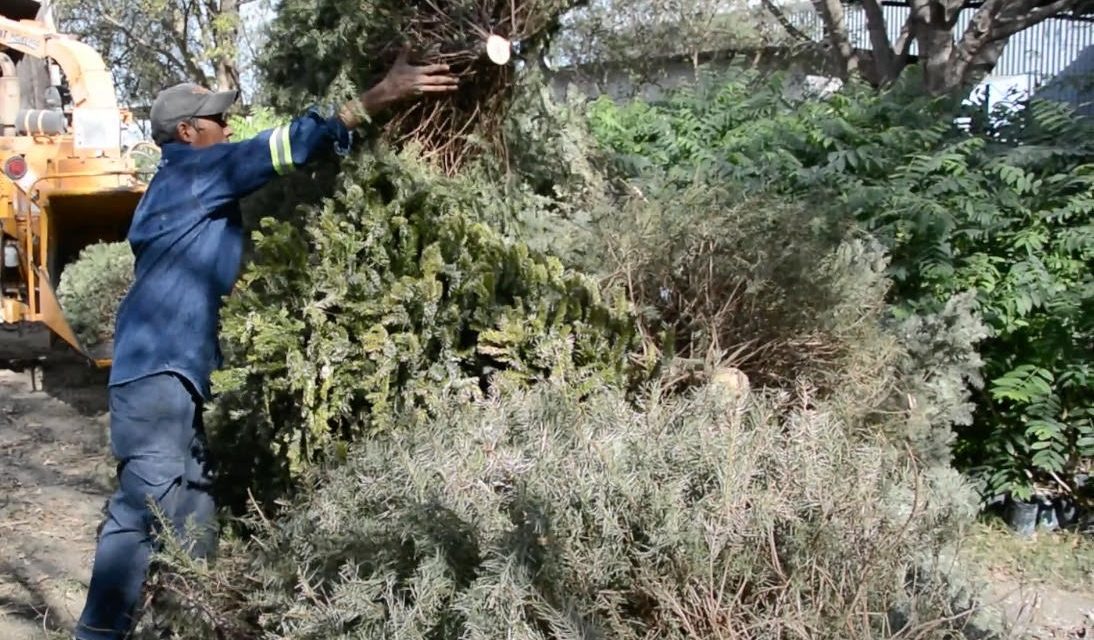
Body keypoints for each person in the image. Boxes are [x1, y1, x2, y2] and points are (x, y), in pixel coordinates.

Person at [74, 51, 459, 640]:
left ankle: (184, 625)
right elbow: (282, 148)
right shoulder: (192, 175)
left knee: (195, 513)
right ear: (187, 133)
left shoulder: (185, 185)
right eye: (217, 122)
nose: (228, 129)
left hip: (170, 379)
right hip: (154, 378)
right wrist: (379, 95)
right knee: (141, 512)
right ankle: (96, 634)